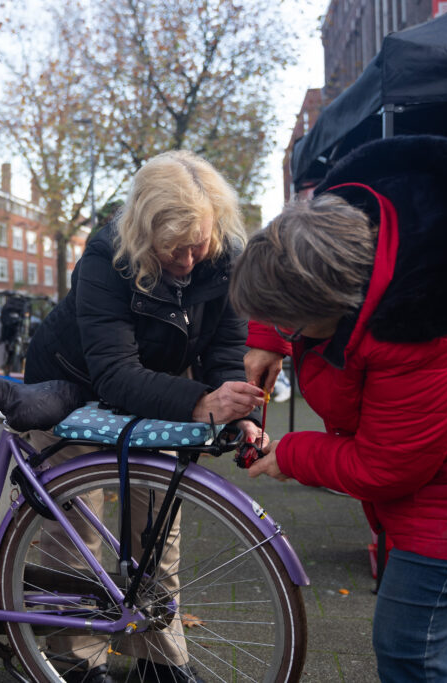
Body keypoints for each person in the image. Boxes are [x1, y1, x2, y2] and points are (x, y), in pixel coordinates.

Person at [229, 135, 447, 682]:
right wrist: (270, 336)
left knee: (413, 646)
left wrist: (293, 454)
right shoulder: (346, 231)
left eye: (291, 323)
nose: (290, 334)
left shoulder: (428, 338)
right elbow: (286, 256)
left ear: (332, 307)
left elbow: (387, 465)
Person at [23, 150, 267, 683]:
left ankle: (156, 659)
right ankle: (74, 658)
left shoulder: (227, 254)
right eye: (170, 248)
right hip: (70, 386)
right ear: (141, 232)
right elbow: (113, 373)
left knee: (157, 520)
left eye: (194, 244)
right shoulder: (106, 256)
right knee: (75, 523)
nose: (185, 260)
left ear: (215, 225)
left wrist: (232, 409)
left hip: (155, 387)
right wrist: (200, 402)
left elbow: (226, 349)